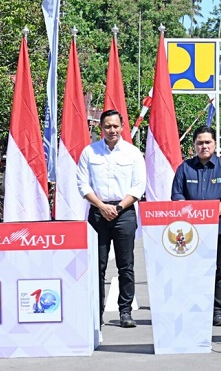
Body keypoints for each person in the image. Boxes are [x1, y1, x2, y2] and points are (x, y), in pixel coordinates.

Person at [77, 109, 146, 328]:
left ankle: (125, 312)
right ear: (101, 128)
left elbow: (138, 186)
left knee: (126, 265)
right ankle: (95, 313)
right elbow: (83, 184)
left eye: (115, 126)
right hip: (98, 212)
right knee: (98, 265)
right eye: (107, 126)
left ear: (122, 127)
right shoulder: (90, 152)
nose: (112, 130)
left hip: (124, 212)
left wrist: (117, 207)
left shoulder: (133, 153)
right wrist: (101, 206)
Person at [171, 126, 221, 327]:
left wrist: (208, 216)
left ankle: (217, 311)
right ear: (194, 145)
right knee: (192, 271)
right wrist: (196, 217)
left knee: (217, 271)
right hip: (190, 231)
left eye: (208, 142)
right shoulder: (184, 168)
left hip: (219, 228)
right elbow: (177, 196)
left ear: (215, 144)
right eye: (200, 142)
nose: (204, 146)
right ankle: (193, 308)